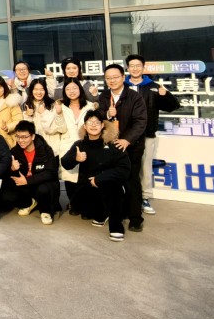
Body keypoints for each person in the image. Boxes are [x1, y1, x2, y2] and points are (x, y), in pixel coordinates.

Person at [61, 110, 131, 242]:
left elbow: (124, 169)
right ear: (85, 126)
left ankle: (116, 227)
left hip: (108, 185)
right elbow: (65, 163)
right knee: (79, 206)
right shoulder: (79, 145)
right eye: (90, 122)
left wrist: (99, 178)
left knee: (113, 187)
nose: (93, 125)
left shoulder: (113, 144)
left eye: (97, 122)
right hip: (88, 187)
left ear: (102, 125)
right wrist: (75, 158)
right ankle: (102, 213)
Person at [125, 54, 179, 216]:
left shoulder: (153, 87)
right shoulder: (122, 85)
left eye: (138, 66)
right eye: (132, 66)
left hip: (147, 133)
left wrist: (166, 95)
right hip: (125, 135)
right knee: (124, 166)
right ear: (127, 68)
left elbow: (172, 107)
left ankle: (145, 197)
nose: (135, 68)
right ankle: (127, 196)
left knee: (145, 166)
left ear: (143, 68)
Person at [98, 63, 148, 233]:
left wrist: (127, 140)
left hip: (131, 147)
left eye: (115, 77)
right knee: (113, 181)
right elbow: (99, 117)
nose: (112, 80)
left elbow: (141, 122)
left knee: (132, 181)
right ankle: (117, 214)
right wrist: (107, 114)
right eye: (108, 78)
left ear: (123, 77)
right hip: (111, 147)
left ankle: (135, 218)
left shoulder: (134, 97)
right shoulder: (104, 96)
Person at [8, 121, 60, 225]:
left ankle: (45, 211)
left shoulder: (46, 150)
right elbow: (9, 174)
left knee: (43, 189)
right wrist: (12, 169)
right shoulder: (15, 151)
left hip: (42, 183)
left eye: (24, 137)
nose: (21, 140)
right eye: (18, 137)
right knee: (8, 196)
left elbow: (51, 173)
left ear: (32, 136)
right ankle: (30, 203)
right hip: (26, 185)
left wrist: (27, 180)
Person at [59, 78, 96, 211]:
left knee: (83, 175)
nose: (71, 91)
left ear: (80, 89)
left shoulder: (90, 106)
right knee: (69, 175)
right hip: (66, 143)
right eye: (68, 89)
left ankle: (84, 204)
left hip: (85, 143)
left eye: (74, 88)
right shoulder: (61, 107)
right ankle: (73, 203)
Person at [22, 78, 67, 159]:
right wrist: (27, 116)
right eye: (36, 89)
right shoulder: (26, 105)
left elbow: (53, 129)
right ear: (31, 90)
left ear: (45, 90)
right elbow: (26, 131)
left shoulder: (52, 104)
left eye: (42, 89)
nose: (39, 92)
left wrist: (44, 113)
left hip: (52, 148)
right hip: (34, 149)